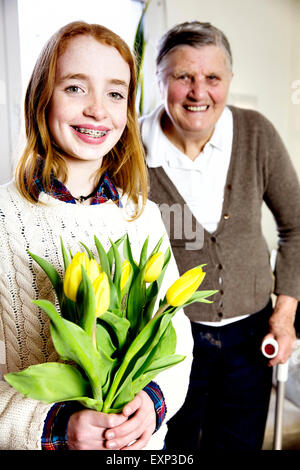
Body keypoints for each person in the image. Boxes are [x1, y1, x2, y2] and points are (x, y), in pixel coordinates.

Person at [0, 21, 194, 450]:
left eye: (115, 93)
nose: (98, 110)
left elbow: (176, 334)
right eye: (74, 88)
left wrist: (154, 401)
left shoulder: (141, 216)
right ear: (41, 97)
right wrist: (57, 427)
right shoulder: (4, 219)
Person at [140, 21, 300, 450]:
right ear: (158, 80)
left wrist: (283, 318)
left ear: (229, 80)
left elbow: (297, 225)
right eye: (183, 77)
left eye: (212, 77)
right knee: (170, 450)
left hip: (250, 342)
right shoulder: (132, 150)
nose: (199, 92)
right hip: (165, 343)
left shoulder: (256, 134)